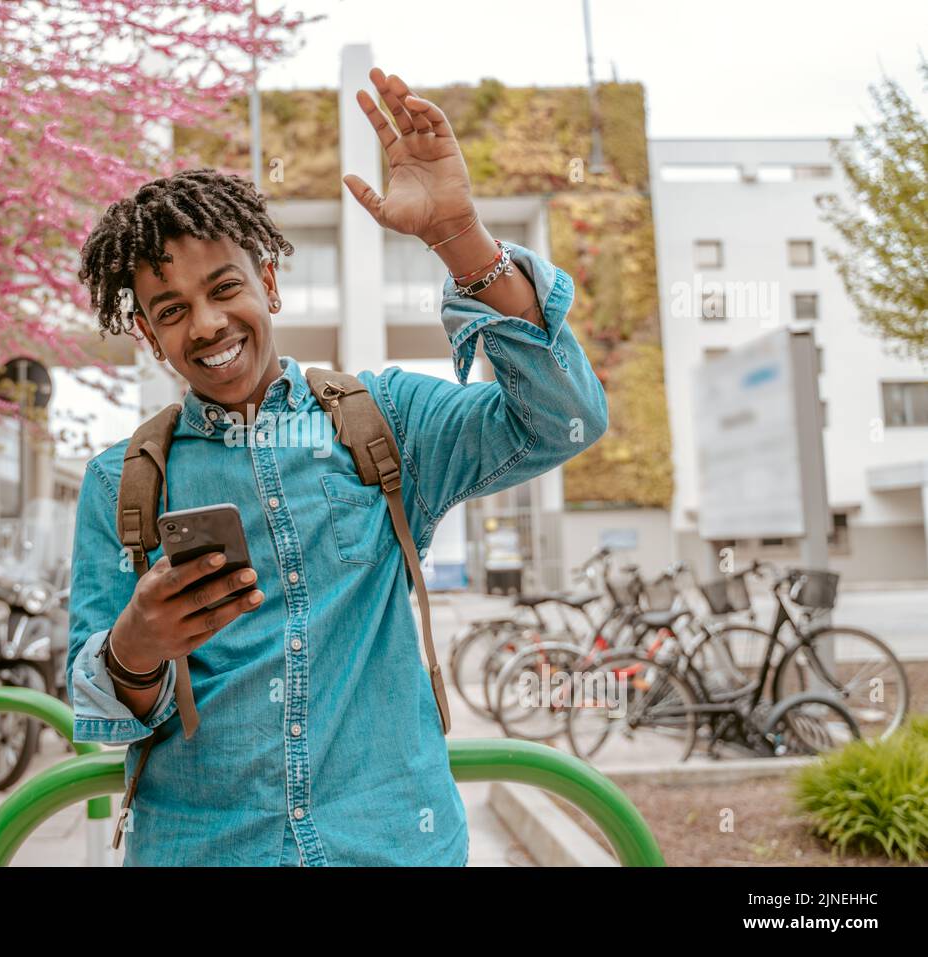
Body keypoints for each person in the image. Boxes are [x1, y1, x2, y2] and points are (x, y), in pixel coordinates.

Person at [67, 67, 608, 866]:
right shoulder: (121, 482)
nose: (208, 324)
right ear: (148, 337)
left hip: (396, 845)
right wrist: (135, 646)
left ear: (271, 283)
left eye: (224, 288)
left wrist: (461, 238)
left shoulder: (384, 421)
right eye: (172, 310)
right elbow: (102, 707)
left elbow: (563, 419)